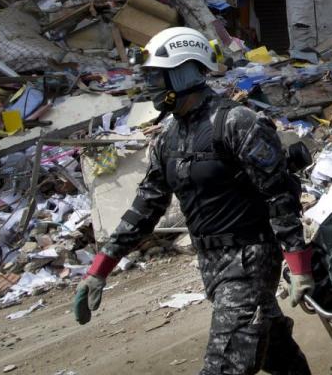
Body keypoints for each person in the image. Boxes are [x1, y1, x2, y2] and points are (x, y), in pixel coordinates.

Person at [72, 27, 313, 375]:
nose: (151, 86)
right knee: (275, 351)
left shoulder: (236, 123)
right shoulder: (168, 137)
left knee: (224, 364)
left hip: (249, 260)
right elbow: (146, 205)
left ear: (185, 72)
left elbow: (280, 196)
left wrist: (299, 265)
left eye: (157, 77)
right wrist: (99, 269)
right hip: (211, 263)